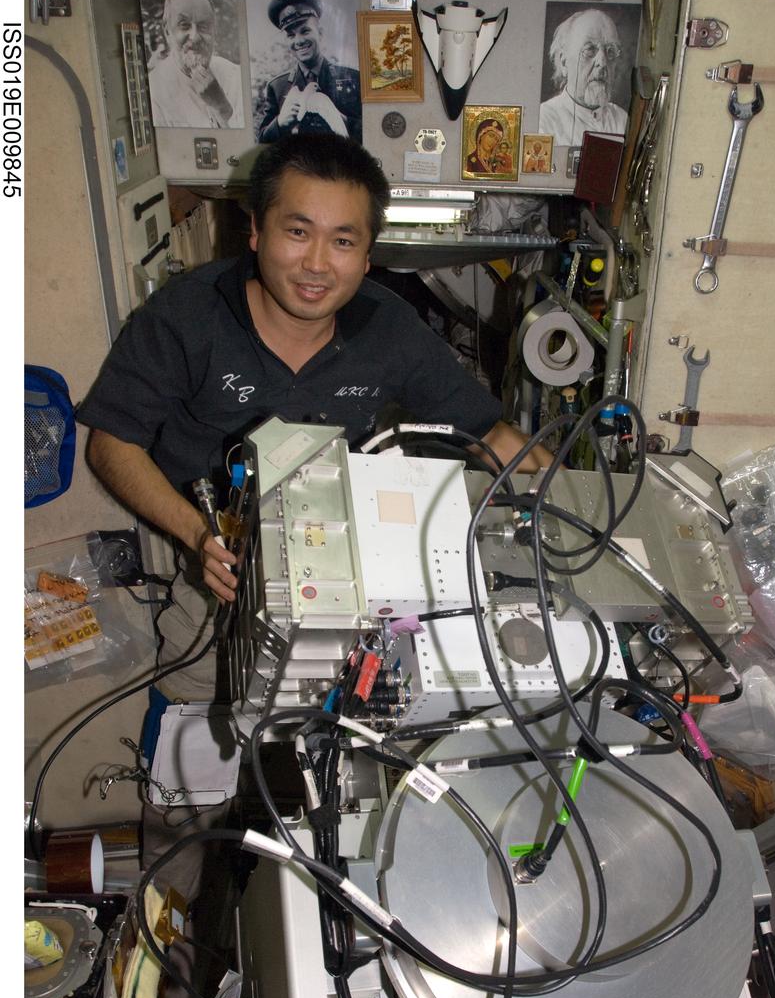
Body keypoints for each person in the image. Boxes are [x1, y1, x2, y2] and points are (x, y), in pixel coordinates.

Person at [79, 132, 550, 675]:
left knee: (343, 736)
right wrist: (196, 535)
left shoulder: (390, 329)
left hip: (340, 578)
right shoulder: (186, 317)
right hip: (211, 591)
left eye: (344, 242)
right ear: (255, 229)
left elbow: (490, 435)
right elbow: (112, 443)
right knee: (188, 736)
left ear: (369, 254)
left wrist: (557, 501)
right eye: (298, 232)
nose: (318, 265)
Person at [257, 0, 362, 143]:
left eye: (305, 31)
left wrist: (341, 119)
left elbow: (374, 130)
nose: (298, 41)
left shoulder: (353, 78)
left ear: (320, 33)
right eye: (291, 35)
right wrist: (280, 123)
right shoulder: (277, 87)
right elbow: (262, 142)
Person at [147, 0, 244, 129]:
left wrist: (222, 107)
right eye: (184, 25)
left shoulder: (236, 77)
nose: (195, 37)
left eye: (203, 26)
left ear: (214, 32)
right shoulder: (154, 90)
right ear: (167, 32)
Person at [538, 9, 628, 145]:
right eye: (590, 50)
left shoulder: (621, 119)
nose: (602, 62)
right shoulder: (544, 120)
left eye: (610, 51)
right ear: (564, 62)